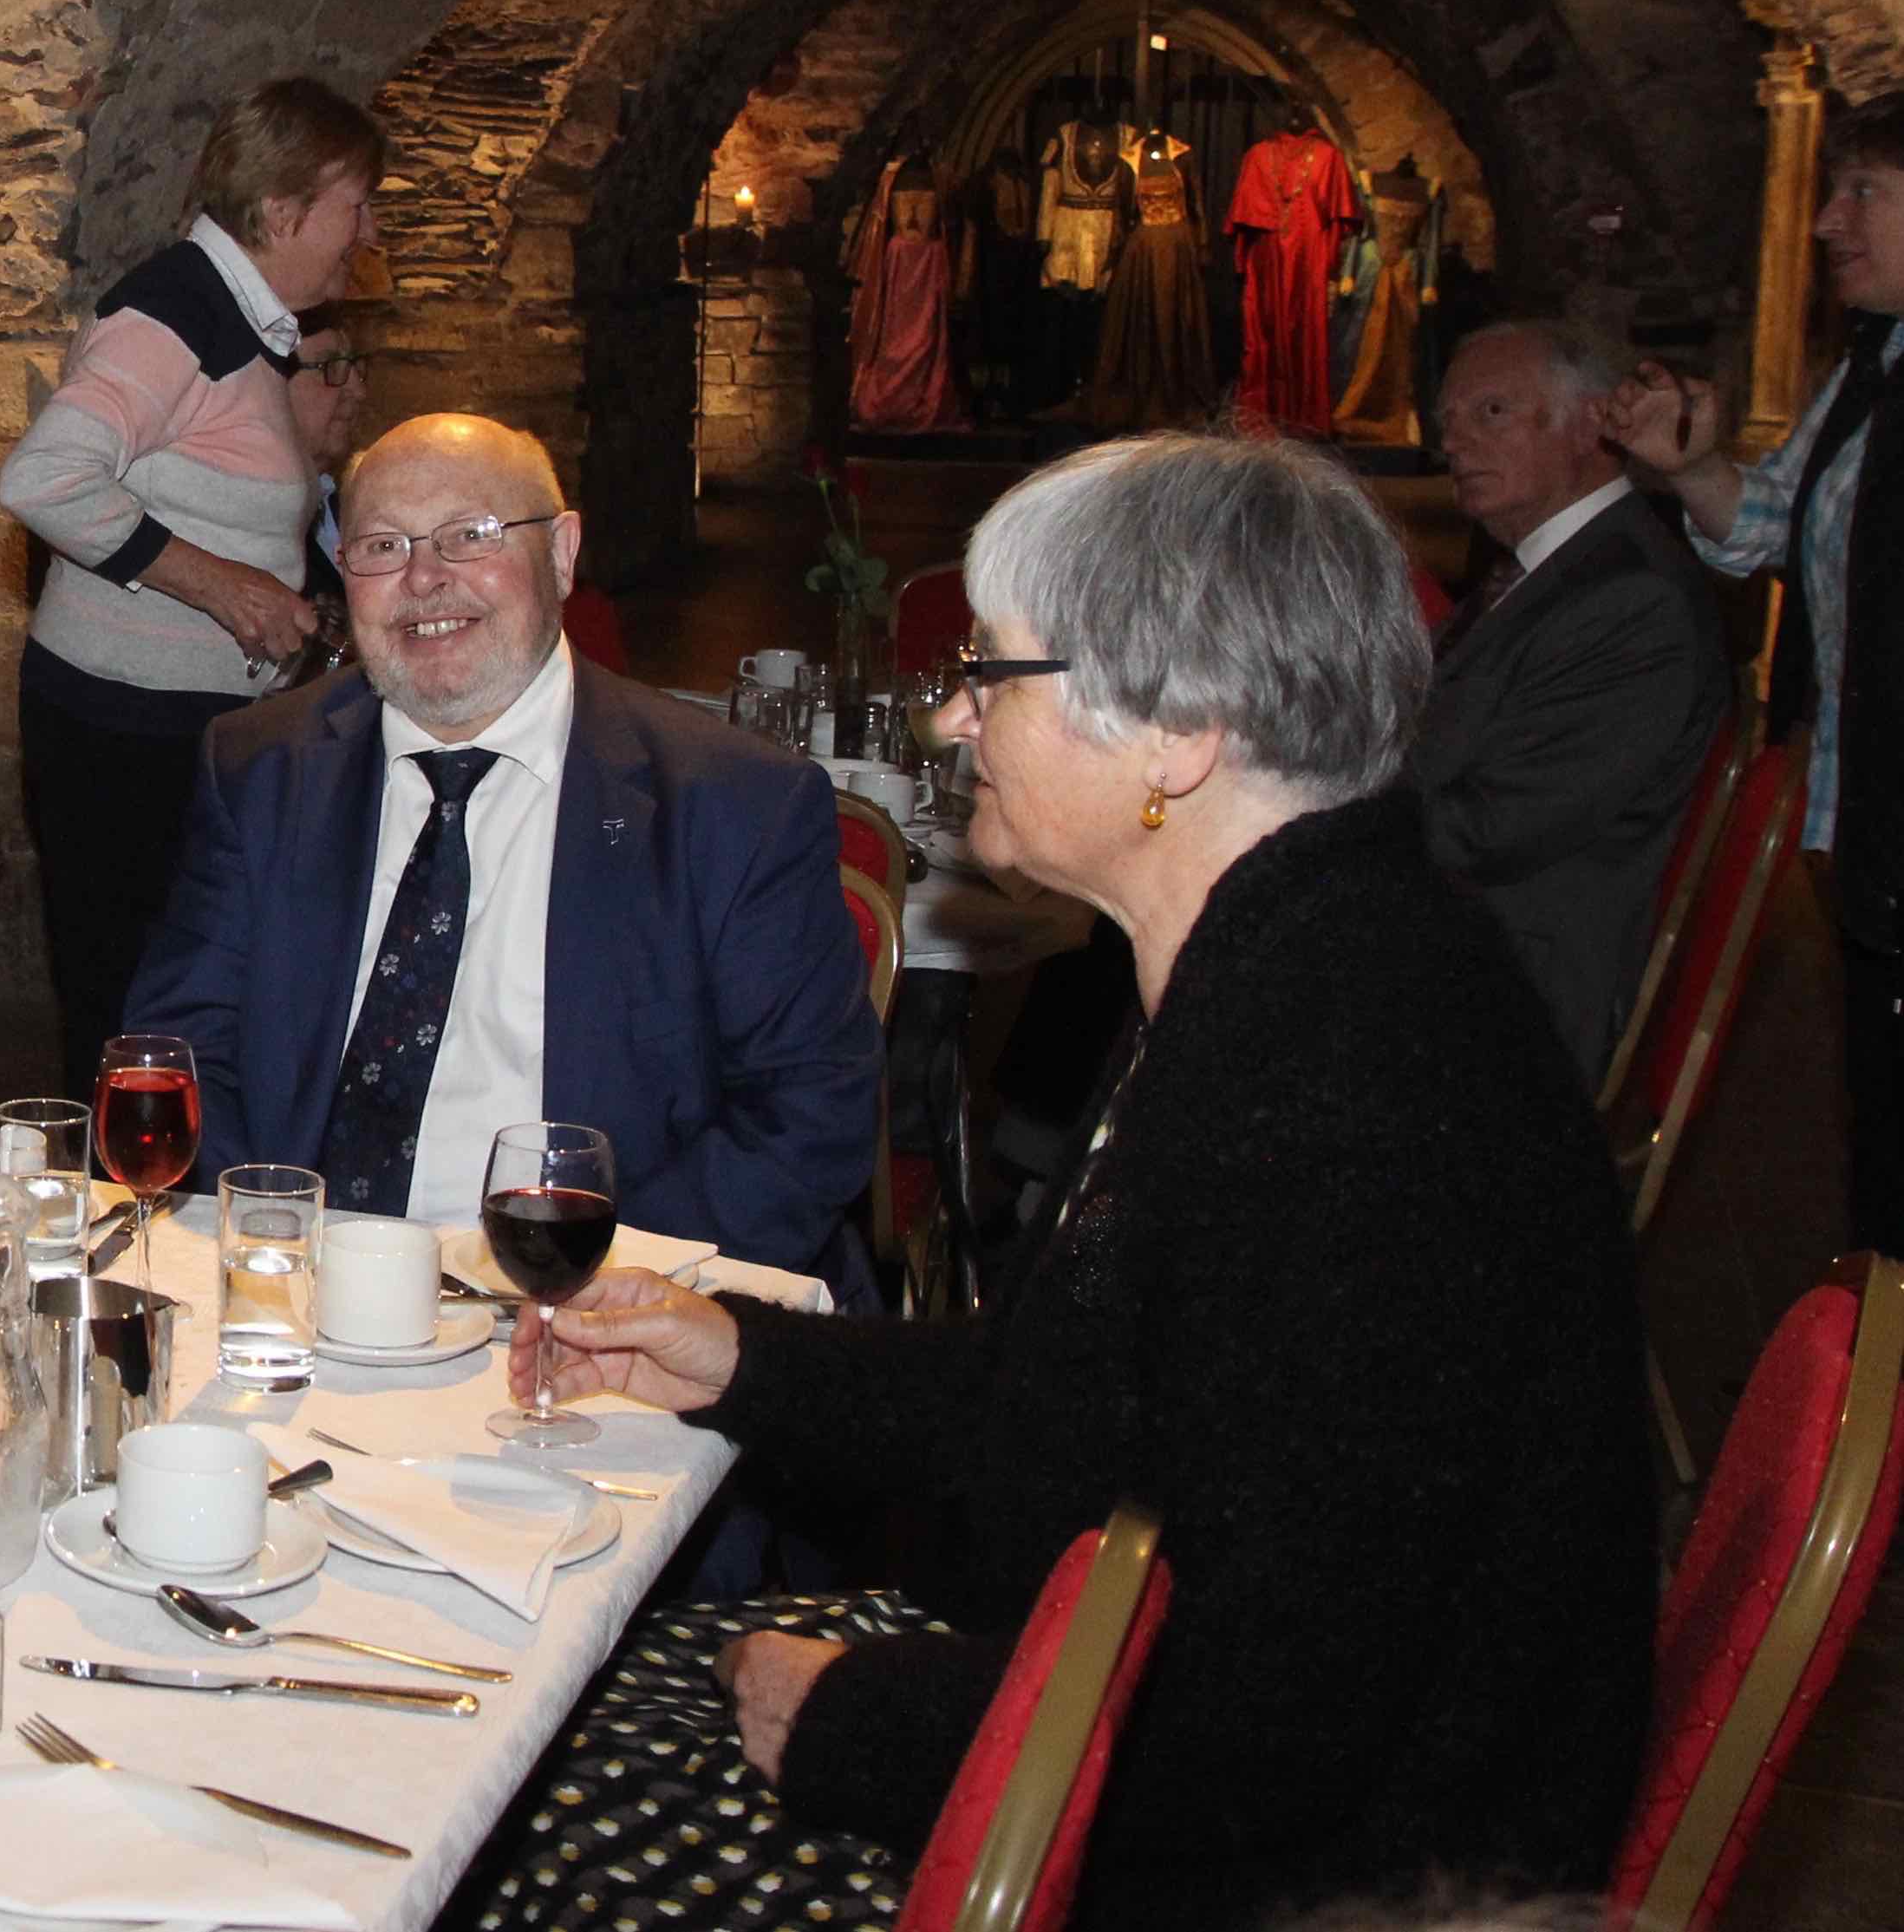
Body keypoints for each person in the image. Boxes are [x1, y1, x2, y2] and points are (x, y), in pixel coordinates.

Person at [478, 435, 1653, 1930]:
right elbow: (1070, 1388)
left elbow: (1268, 1714)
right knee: (524, 1685)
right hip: (1162, 1733)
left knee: (512, 1817)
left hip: (1317, 1875)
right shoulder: (1271, 961)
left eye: (993, 671)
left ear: (1178, 730)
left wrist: (851, 1719)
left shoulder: (1358, 1089)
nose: (950, 711)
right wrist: (737, 1356)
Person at [121, 413, 881, 1295]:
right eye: (380, 545)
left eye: (470, 535)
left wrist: (587, 1285)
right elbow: (181, 1048)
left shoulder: (730, 801)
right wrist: (279, 1245)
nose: (423, 578)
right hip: (302, 1280)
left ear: (560, 554)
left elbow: (808, 1117)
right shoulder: (258, 768)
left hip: (599, 1292)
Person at [1, 77, 389, 1094]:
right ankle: (120, 1224)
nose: (368, 228)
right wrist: (224, 590)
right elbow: (41, 477)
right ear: (281, 210)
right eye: (357, 202)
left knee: (176, 1009)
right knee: (128, 1010)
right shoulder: (174, 310)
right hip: (118, 738)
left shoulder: (240, 319)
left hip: (176, 733)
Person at [1614, 91, 1904, 1256]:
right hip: (1866, 825)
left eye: (1864, 194)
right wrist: (1689, 472)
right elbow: (1773, 518)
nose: (1827, 220)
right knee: (1878, 1120)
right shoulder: (1872, 362)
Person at [1412, 318, 1736, 1079]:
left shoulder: (1630, 600)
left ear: (1592, 423)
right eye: (1448, 421)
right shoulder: (1555, 568)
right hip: (1464, 932)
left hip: (1512, 995)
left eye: (1491, 412)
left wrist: (1300, 812)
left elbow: (1488, 830)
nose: (1454, 442)